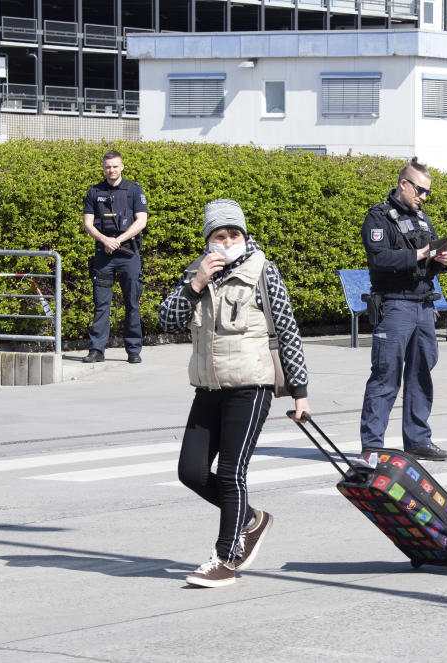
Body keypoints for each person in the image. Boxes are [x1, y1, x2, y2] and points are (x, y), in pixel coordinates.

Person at [158, 199, 311, 588]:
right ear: (209, 240)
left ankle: (225, 558)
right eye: (219, 236)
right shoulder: (196, 273)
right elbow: (166, 319)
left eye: (234, 234)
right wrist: (195, 284)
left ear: (244, 235)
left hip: (251, 385)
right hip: (208, 387)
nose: (228, 241)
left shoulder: (263, 271)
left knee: (230, 473)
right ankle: (250, 520)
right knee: (190, 472)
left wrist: (300, 393)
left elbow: (288, 331)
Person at [359, 157, 447, 462]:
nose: (423, 197)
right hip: (395, 305)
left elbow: (427, 261)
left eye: (427, 193)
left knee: (421, 373)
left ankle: (417, 440)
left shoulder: (423, 219)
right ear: (404, 184)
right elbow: (380, 260)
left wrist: (442, 262)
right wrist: (419, 254)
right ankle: (372, 446)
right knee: (386, 375)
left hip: (423, 304)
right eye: (420, 191)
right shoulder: (378, 218)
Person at [82, 149, 148, 364]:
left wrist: (119, 240)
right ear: (104, 168)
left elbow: (141, 221)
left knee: (132, 303)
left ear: (122, 167)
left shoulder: (133, 190)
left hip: (128, 254)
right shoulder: (94, 191)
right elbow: (88, 223)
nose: (111, 170)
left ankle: (133, 350)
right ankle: (97, 350)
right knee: (101, 304)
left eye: (115, 166)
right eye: (108, 167)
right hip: (104, 254)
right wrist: (105, 240)